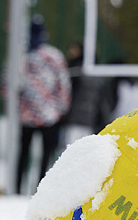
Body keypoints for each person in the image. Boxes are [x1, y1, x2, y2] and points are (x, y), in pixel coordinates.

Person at [13, 15, 71, 195]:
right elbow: (63, 84)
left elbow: (8, 87)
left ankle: (20, 190)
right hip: (47, 114)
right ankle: (39, 193)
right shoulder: (52, 55)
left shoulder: (20, 55)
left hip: (33, 115)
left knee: (26, 154)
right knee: (43, 157)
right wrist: (62, 109)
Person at [61, 42, 111, 148]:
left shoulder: (75, 72)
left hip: (73, 118)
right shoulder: (97, 75)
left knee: (69, 150)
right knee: (82, 151)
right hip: (90, 119)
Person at [106, 58, 138, 123]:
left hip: (119, 120)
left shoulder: (117, 84)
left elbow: (113, 105)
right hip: (137, 118)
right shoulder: (137, 83)